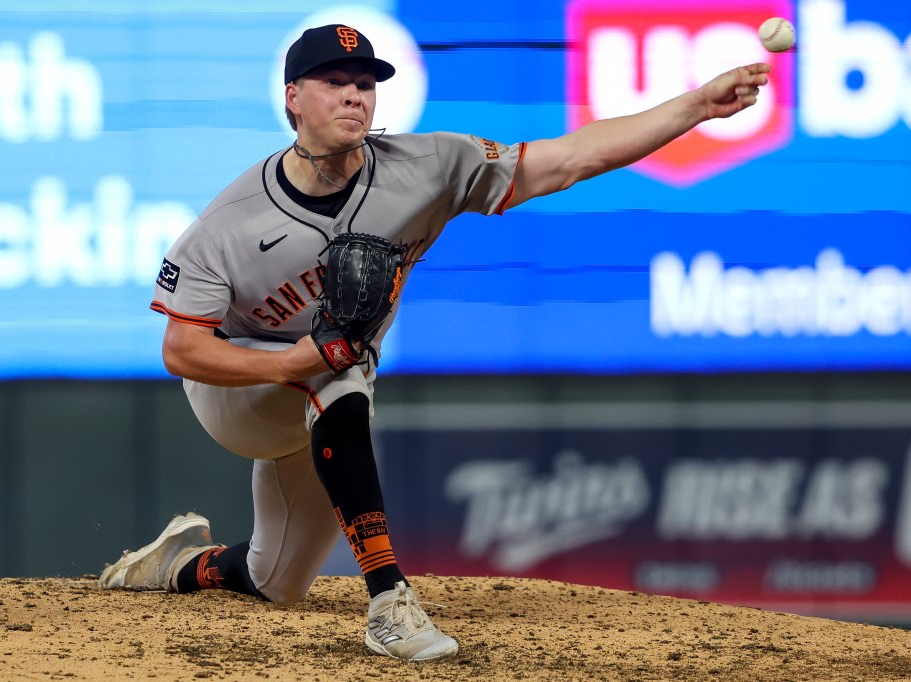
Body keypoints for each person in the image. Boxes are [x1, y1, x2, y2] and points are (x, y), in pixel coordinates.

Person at [98, 23, 771, 661]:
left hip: (320, 397)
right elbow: (181, 350)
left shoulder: (427, 165)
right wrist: (293, 363)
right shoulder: (231, 220)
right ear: (293, 99)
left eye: (366, 80)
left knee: (276, 580)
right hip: (238, 391)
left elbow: (572, 158)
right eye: (334, 80)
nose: (355, 93)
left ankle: (175, 563)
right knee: (338, 366)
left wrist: (695, 107)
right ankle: (389, 601)